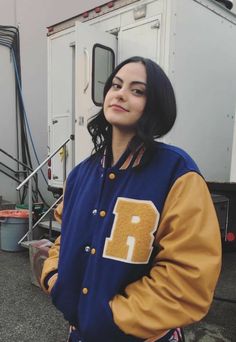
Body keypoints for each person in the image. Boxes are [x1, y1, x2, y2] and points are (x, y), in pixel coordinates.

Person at [40, 56, 222, 342]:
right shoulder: (80, 175)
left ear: (156, 105)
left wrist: (112, 317)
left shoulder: (176, 172)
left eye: (137, 91)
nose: (121, 93)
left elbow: (189, 277)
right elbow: (65, 239)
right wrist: (54, 278)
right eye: (116, 85)